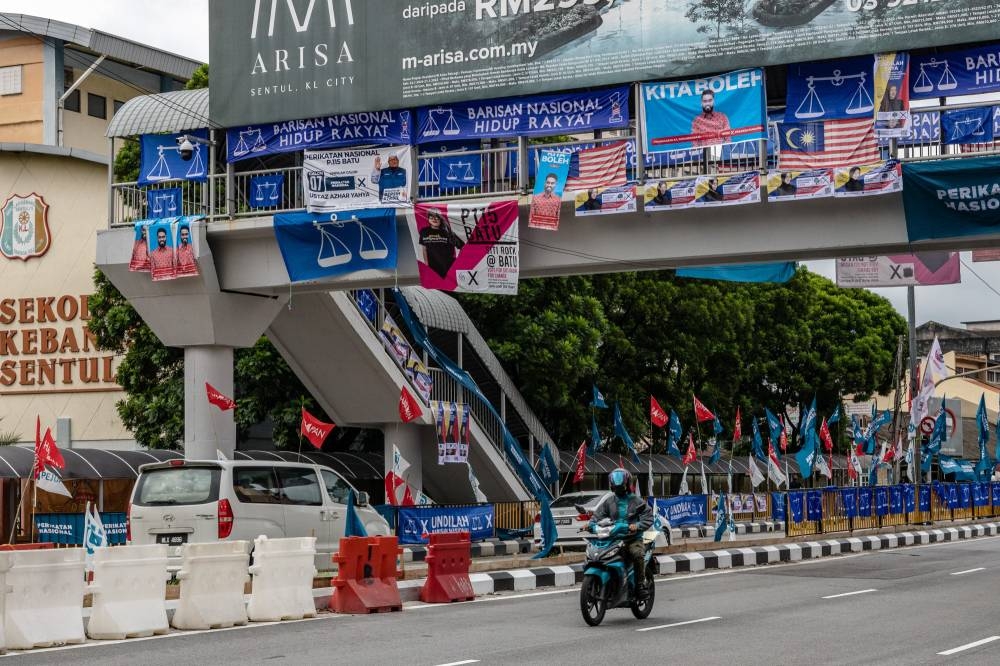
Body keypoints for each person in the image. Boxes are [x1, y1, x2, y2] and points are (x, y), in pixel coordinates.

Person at [588, 468, 654, 596]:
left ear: (627, 484)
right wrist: (591, 524)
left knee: (637, 554)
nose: (618, 489)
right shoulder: (609, 501)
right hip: (613, 538)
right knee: (598, 555)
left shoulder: (636, 501)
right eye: (615, 486)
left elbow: (648, 516)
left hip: (632, 539)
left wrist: (638, 525)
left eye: (621, 486)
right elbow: (597, 515)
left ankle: (640, 585)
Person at [419, 208, 465, 278]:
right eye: (431, 217)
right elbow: (424, 249)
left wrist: (457, 263)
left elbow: (462, 247)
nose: (434, 219)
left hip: (448, 266)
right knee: (437, 286)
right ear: (428, 218)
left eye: (437, 217)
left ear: (441, 219)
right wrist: (426, 265)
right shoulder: (424, 231)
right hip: (433, 266)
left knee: (448, 286)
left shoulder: (447, 232)